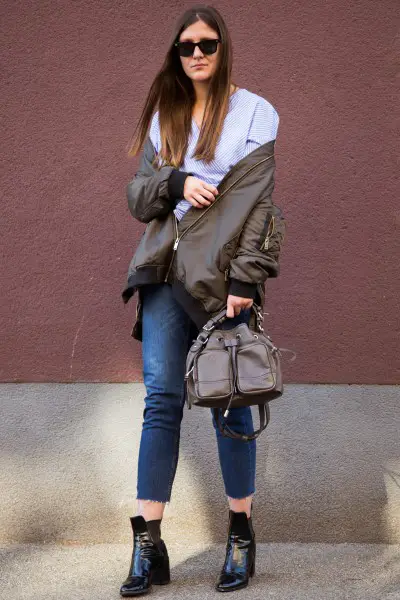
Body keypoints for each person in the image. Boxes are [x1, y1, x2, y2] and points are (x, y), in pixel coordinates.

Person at [120, 4, 285, 596]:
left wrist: (246, 280)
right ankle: (148, 543)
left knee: (231, 400)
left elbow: (261, 207)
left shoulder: (255, 113)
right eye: (186, 45)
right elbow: (139, 198)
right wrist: (174, 182)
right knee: (161, 399)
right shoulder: (166, 114)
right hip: (163, 275)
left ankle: (240, 533)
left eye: (207, 44)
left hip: (222, 284)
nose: (195, 54)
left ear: (223, 49)